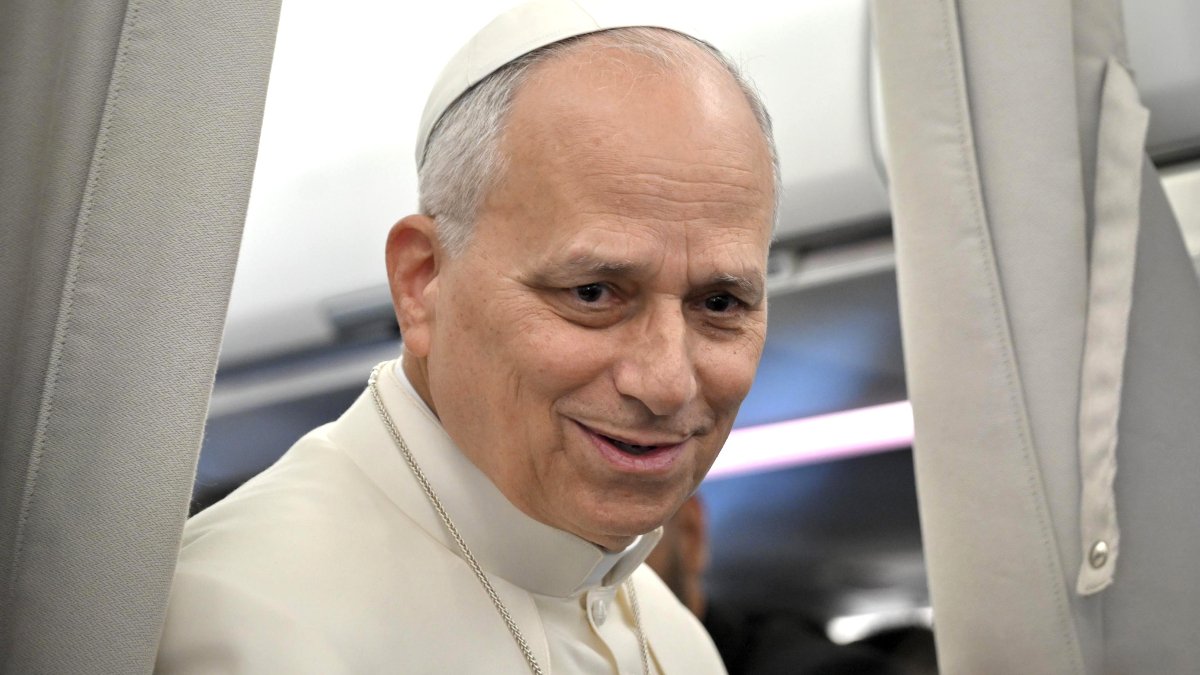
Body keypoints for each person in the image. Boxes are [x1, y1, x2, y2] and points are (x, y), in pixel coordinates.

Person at [156, 0, 778, 672]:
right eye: (593, 293)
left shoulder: (677, 642)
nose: (667, 382)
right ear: (422, 281)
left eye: (720, 303)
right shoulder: (241, 623)